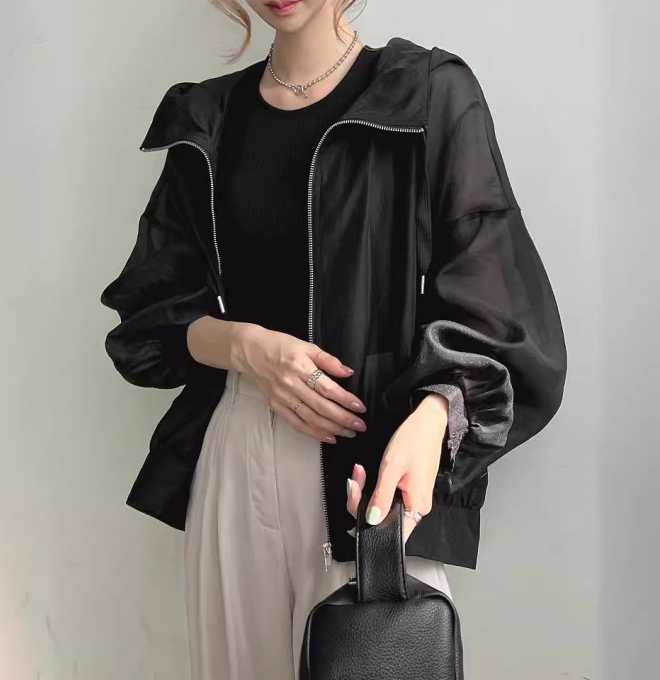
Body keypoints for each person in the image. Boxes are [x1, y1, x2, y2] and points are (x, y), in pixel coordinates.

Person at [101, 0, 567, 677]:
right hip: (238, 455)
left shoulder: (426, 94)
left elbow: (503, 307)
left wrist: (437, 416)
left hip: (375, 465)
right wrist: (247, 347)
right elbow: (150, 315)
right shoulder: (209, 116)